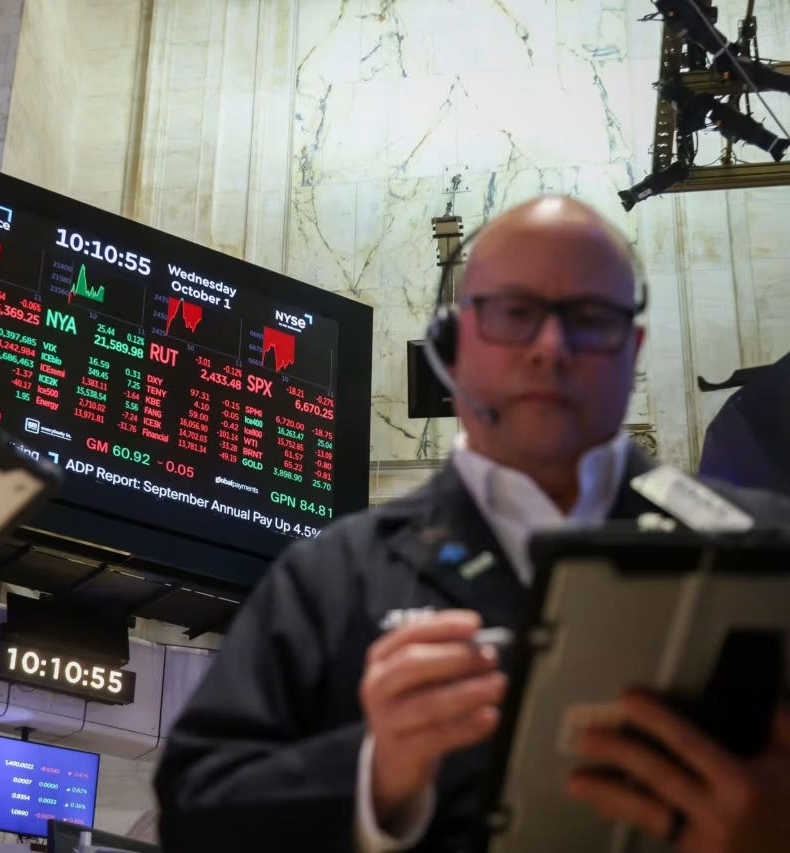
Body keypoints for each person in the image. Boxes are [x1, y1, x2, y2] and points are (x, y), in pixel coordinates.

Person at [153, 196, 790, 853]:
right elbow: (195, 817)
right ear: (452, 348)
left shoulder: (769, 551)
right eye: (514, 312)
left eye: (590, 317)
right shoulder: (331, 576)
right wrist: (376, 775)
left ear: (633, 350)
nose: (552, 346)